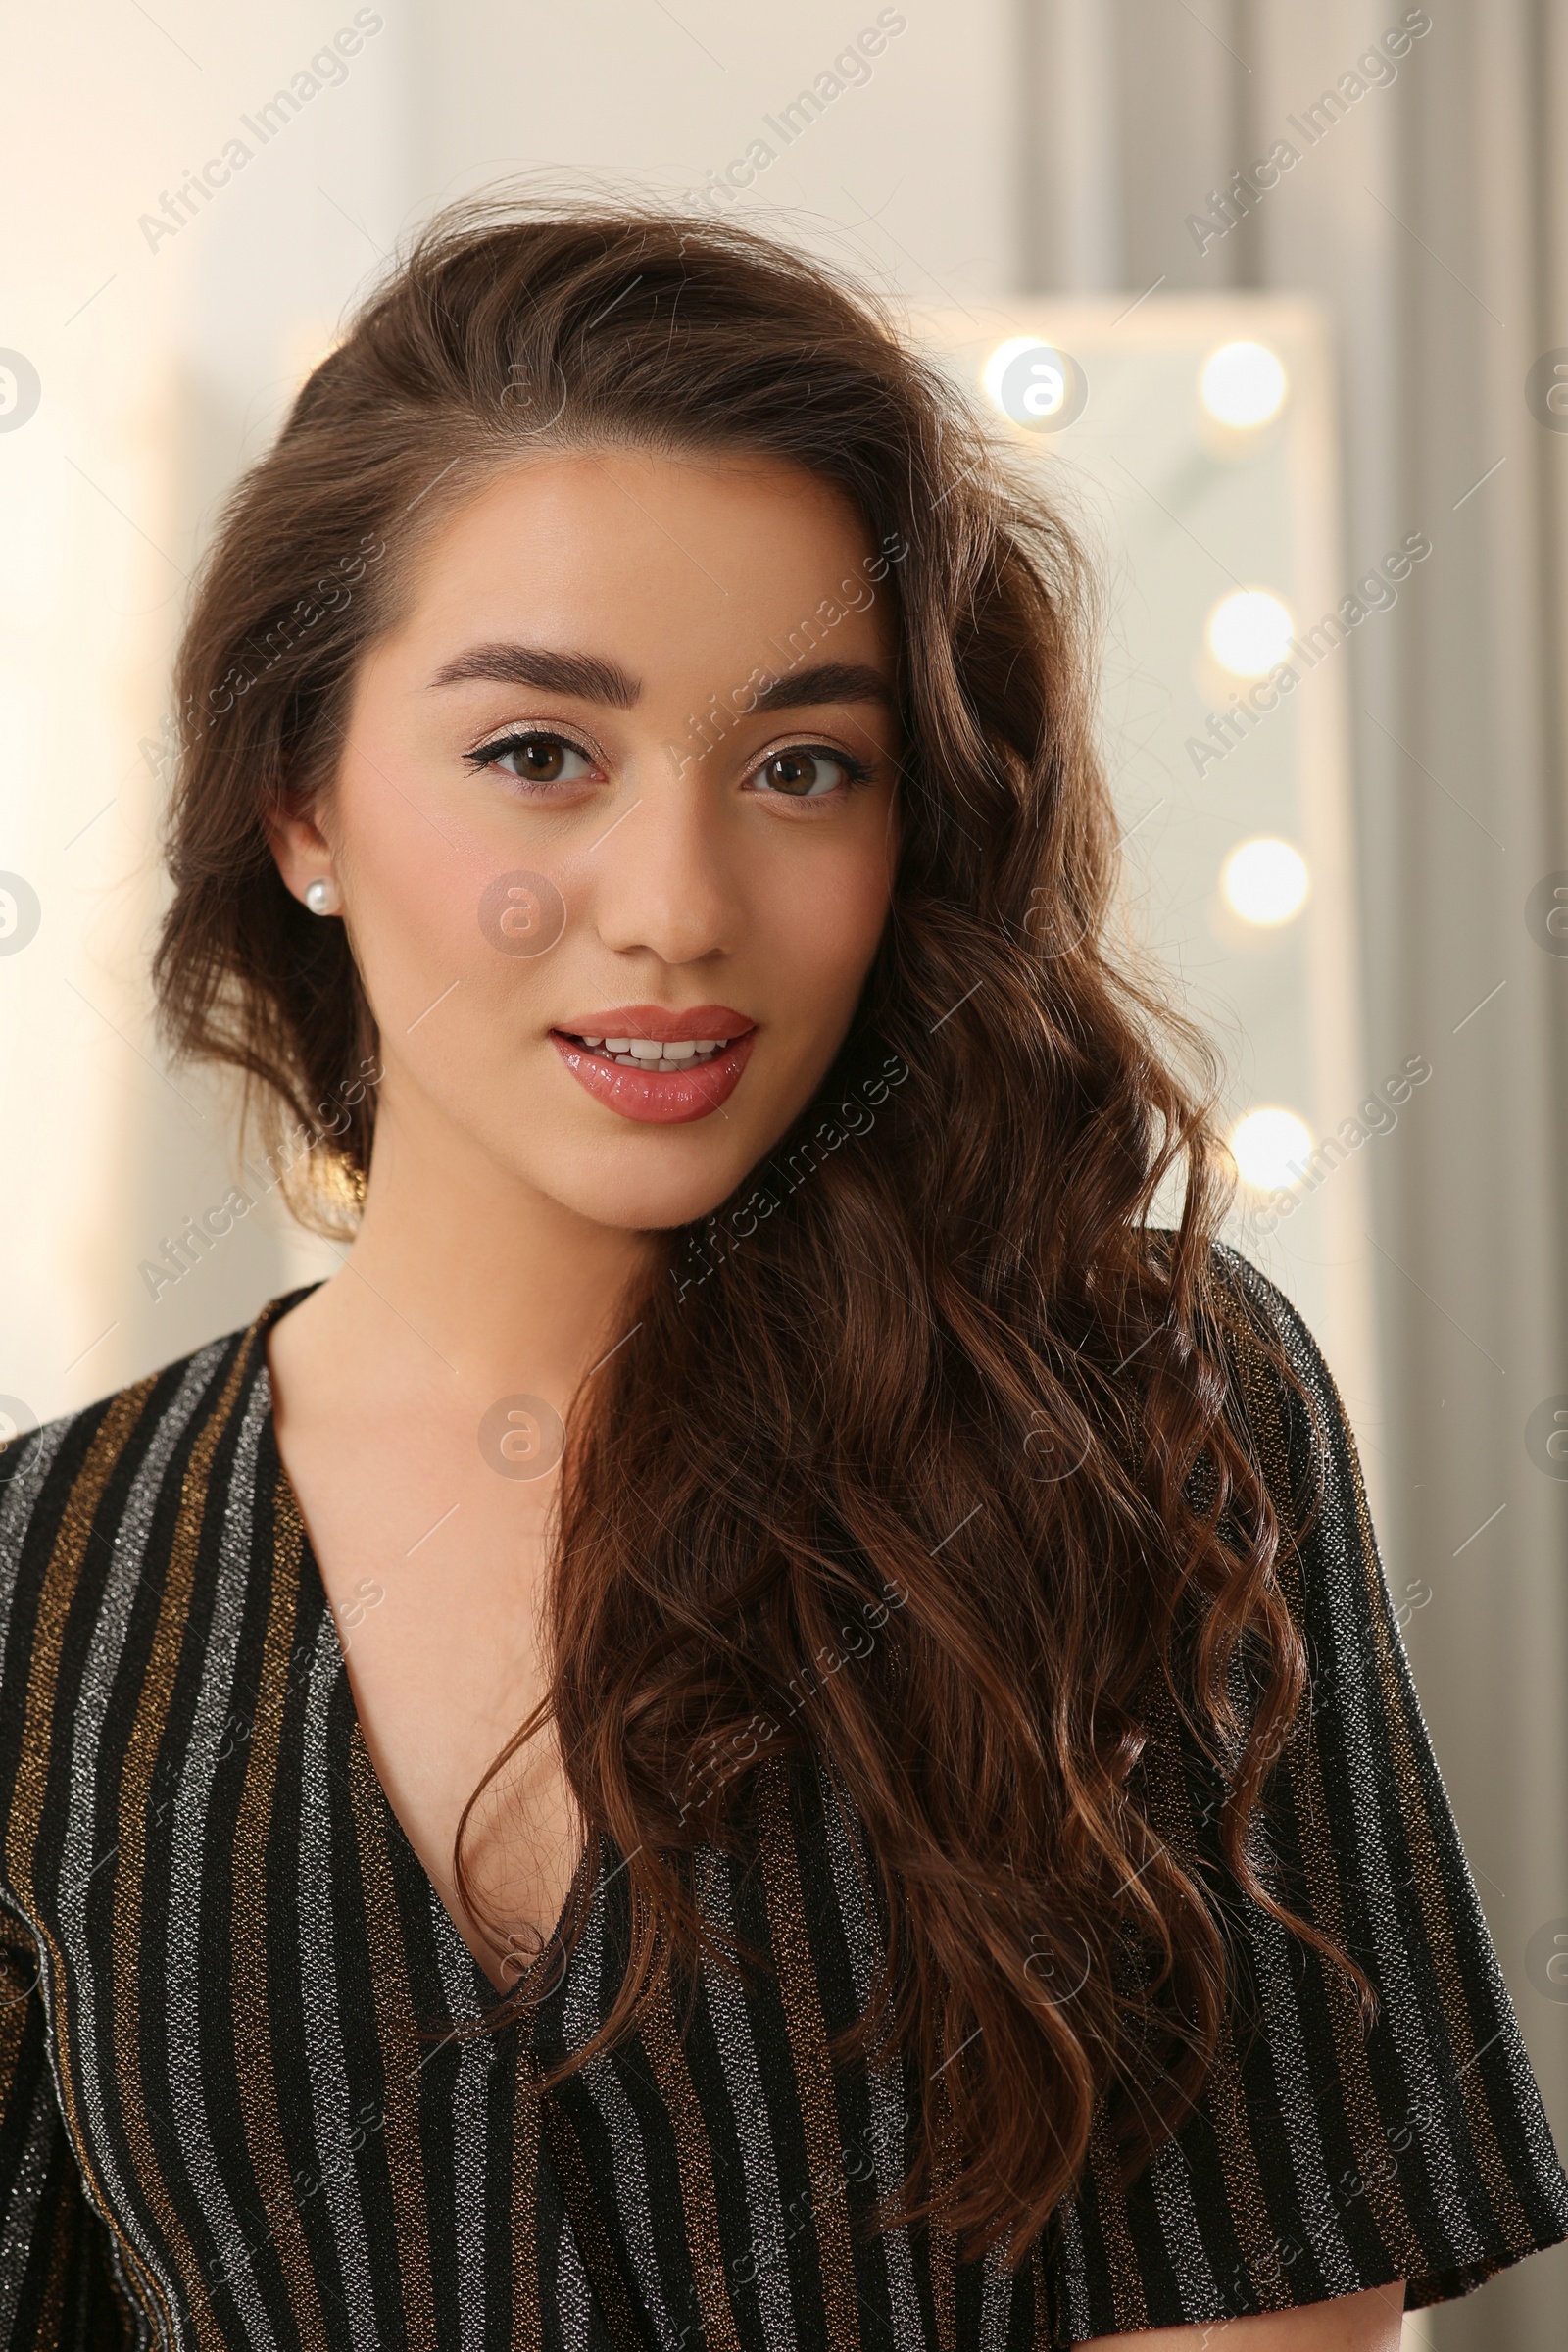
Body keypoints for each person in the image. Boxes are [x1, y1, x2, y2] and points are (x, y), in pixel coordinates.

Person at [1, 194, 1564, 2352]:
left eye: (801, 766)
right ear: (301, 801)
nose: (675, 902)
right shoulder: (41, 1588)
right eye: (536, 753)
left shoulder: (1135, 1408)